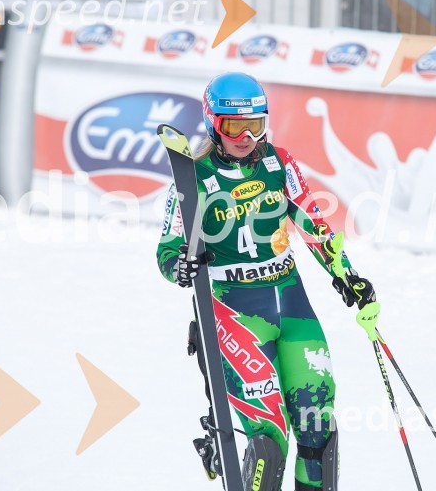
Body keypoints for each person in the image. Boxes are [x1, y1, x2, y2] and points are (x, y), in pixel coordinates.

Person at [156, 73, 380, 491]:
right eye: (233, 127)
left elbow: (313, 223)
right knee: (270, 441)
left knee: (317, 426)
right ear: (212, 124)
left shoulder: (280, 164)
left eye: (255, 125)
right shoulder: (196, 177)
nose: (245, 136)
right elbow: (167, 250)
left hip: (291, 304)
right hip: (237, 313)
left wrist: (346, 274)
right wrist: (180, 268)